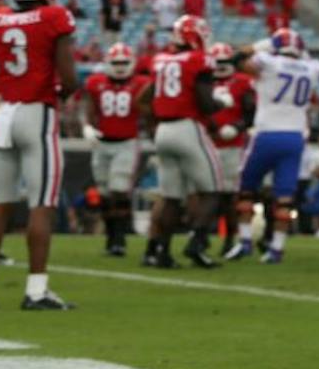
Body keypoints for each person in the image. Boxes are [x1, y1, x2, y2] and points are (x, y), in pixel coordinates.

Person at [0, 0, 77, 308]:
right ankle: (36, 291)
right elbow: (69, 79)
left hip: (3, 115)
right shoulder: (54, 16)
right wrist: (61, 94)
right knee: (42, 204)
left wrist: (12, 81)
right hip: (36, 112)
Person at [223, 28, 319, 263]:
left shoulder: (269, 61)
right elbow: (309, 60)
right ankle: (277, 249)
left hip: (267, 133)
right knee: (284, 198)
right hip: (295, 137)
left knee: (246, 189)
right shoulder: (313, 68)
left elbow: (236, 59)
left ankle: (246, 241)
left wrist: (263, 45)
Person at [140, 14, 224, 269]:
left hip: (163, 131)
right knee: (213, 191)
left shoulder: (162, 60)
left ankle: (162, 252)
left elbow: (148, 98)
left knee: (171, 197)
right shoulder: (198, 60)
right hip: (188, 128)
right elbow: (205, 103)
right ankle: (196, 243)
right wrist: (221, 103)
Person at [83, 42, 152, 258]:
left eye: (124, 62)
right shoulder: (95, 83)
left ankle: (120, 239)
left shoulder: (141, 83)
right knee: (103, 193)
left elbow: (150, 108)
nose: (120, 67)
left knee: (118, 190)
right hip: (102, 143)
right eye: (116, 63)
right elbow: (89, 108)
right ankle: (110, 238)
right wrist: (87, 126)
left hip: (127, 143)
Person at [206, 43, 254, 252]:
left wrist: (237, 127)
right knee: (203, 193)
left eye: (226, 62)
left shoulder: (243, 82)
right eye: (218, 62)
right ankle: (201, 234)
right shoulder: (204, 81)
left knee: (227, 195)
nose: (222, 66)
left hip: (232, 145)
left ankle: (229, 239)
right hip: (206, 143)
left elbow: (251, 112)